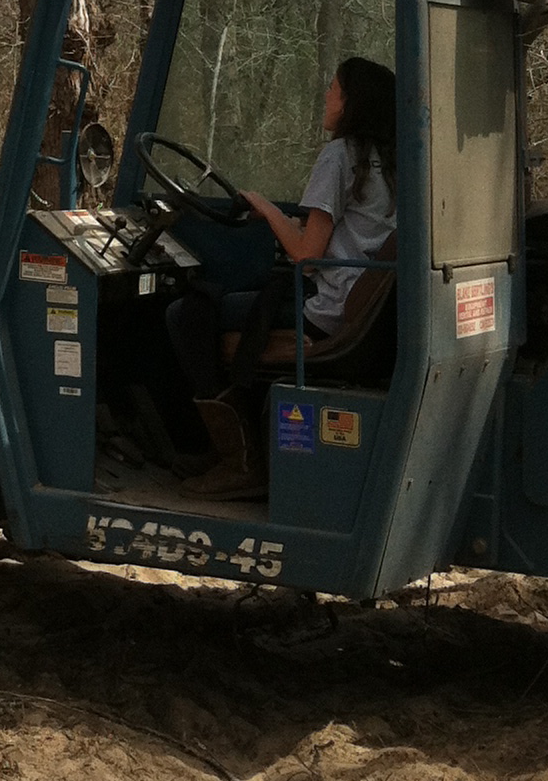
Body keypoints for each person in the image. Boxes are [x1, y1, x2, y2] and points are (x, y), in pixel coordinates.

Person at [163, 55, 397, 495]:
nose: (326, 96)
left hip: (324, 310)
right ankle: (227, 449)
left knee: (187, 314)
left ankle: (239, 460)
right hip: (354, 303)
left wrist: (266, 208)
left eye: (333, 89)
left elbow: (307, 254)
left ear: (353, 103)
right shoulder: (391, 163)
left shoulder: (340, 157)